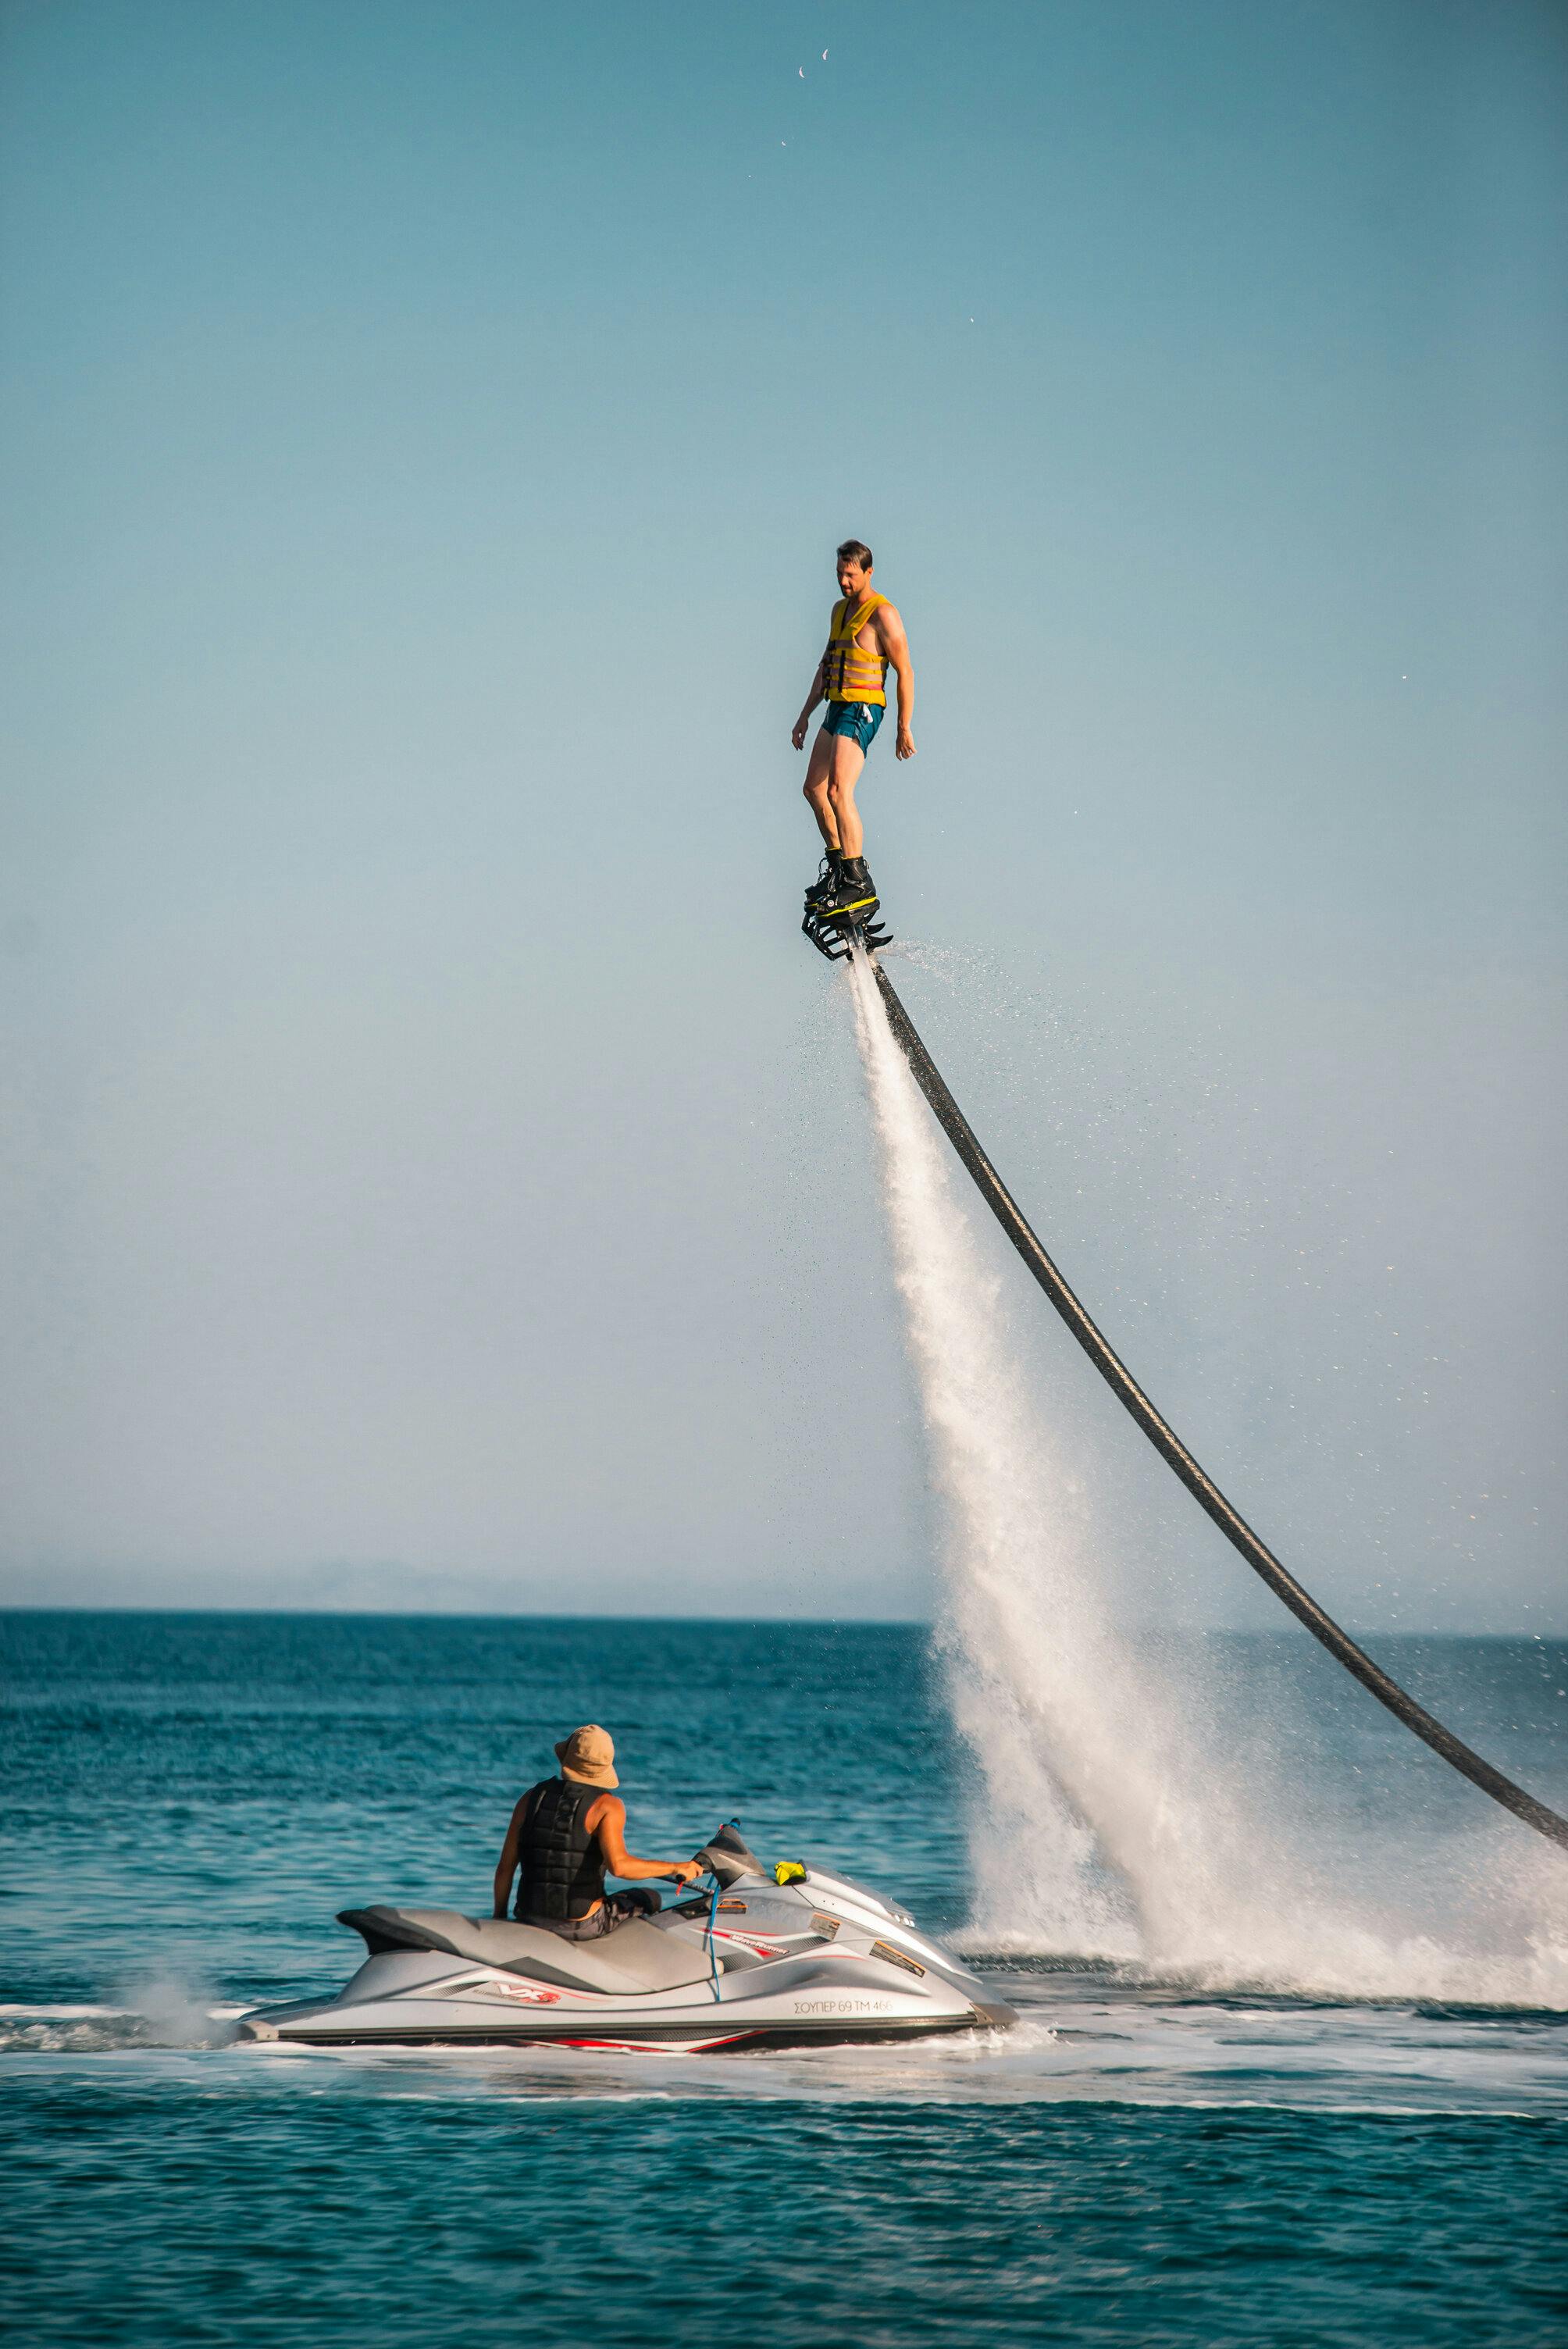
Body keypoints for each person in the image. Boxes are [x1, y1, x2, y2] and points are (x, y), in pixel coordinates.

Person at [792, 538, 915, 930]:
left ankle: (859, 882)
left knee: (838, 791)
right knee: (813, 789)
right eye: (840, 573)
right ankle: (839, 869)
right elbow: (827, 664)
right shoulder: (838, 611)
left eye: (851, 574)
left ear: (868, 572)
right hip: (836, 705)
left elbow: (905, 672)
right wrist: (804, 715)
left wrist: (903, 726)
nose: (844, 581)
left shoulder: (884, 615)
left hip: (863, 708)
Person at [492, 1723, 701, 1941]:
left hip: (528, 1917)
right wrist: (677, 1866)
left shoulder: (530, 1798)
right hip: (582, 1924)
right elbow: (619, 1867)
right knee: (651, 1897)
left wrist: (499, 1918)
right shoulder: (607, 1806)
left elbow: (505, 1869)